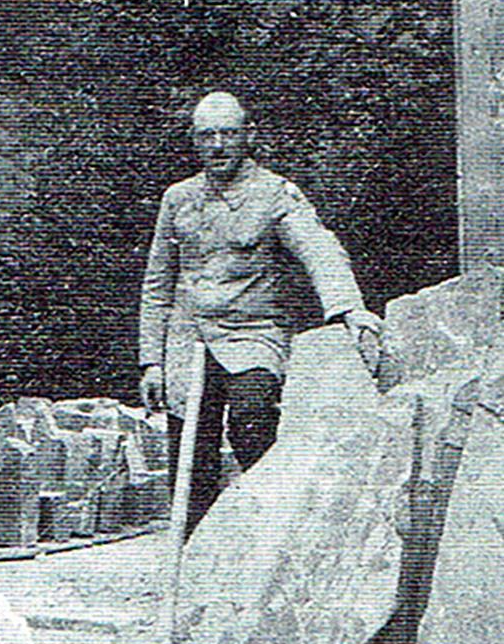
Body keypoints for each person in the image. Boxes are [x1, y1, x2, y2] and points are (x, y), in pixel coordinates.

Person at [138, 91, 383, 538]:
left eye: (228, 134)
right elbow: (157, 285)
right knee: (189, 457)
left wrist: (350, 309)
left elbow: (318, 249)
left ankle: (267, 543)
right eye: (206, 136)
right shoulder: (178, 199)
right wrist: (152, 361)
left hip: (253, 334)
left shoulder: (274, 194)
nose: (217, 146)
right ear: (194, 142)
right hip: (186, 340)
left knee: (252, 426)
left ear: (248, 136)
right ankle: (197, 564)